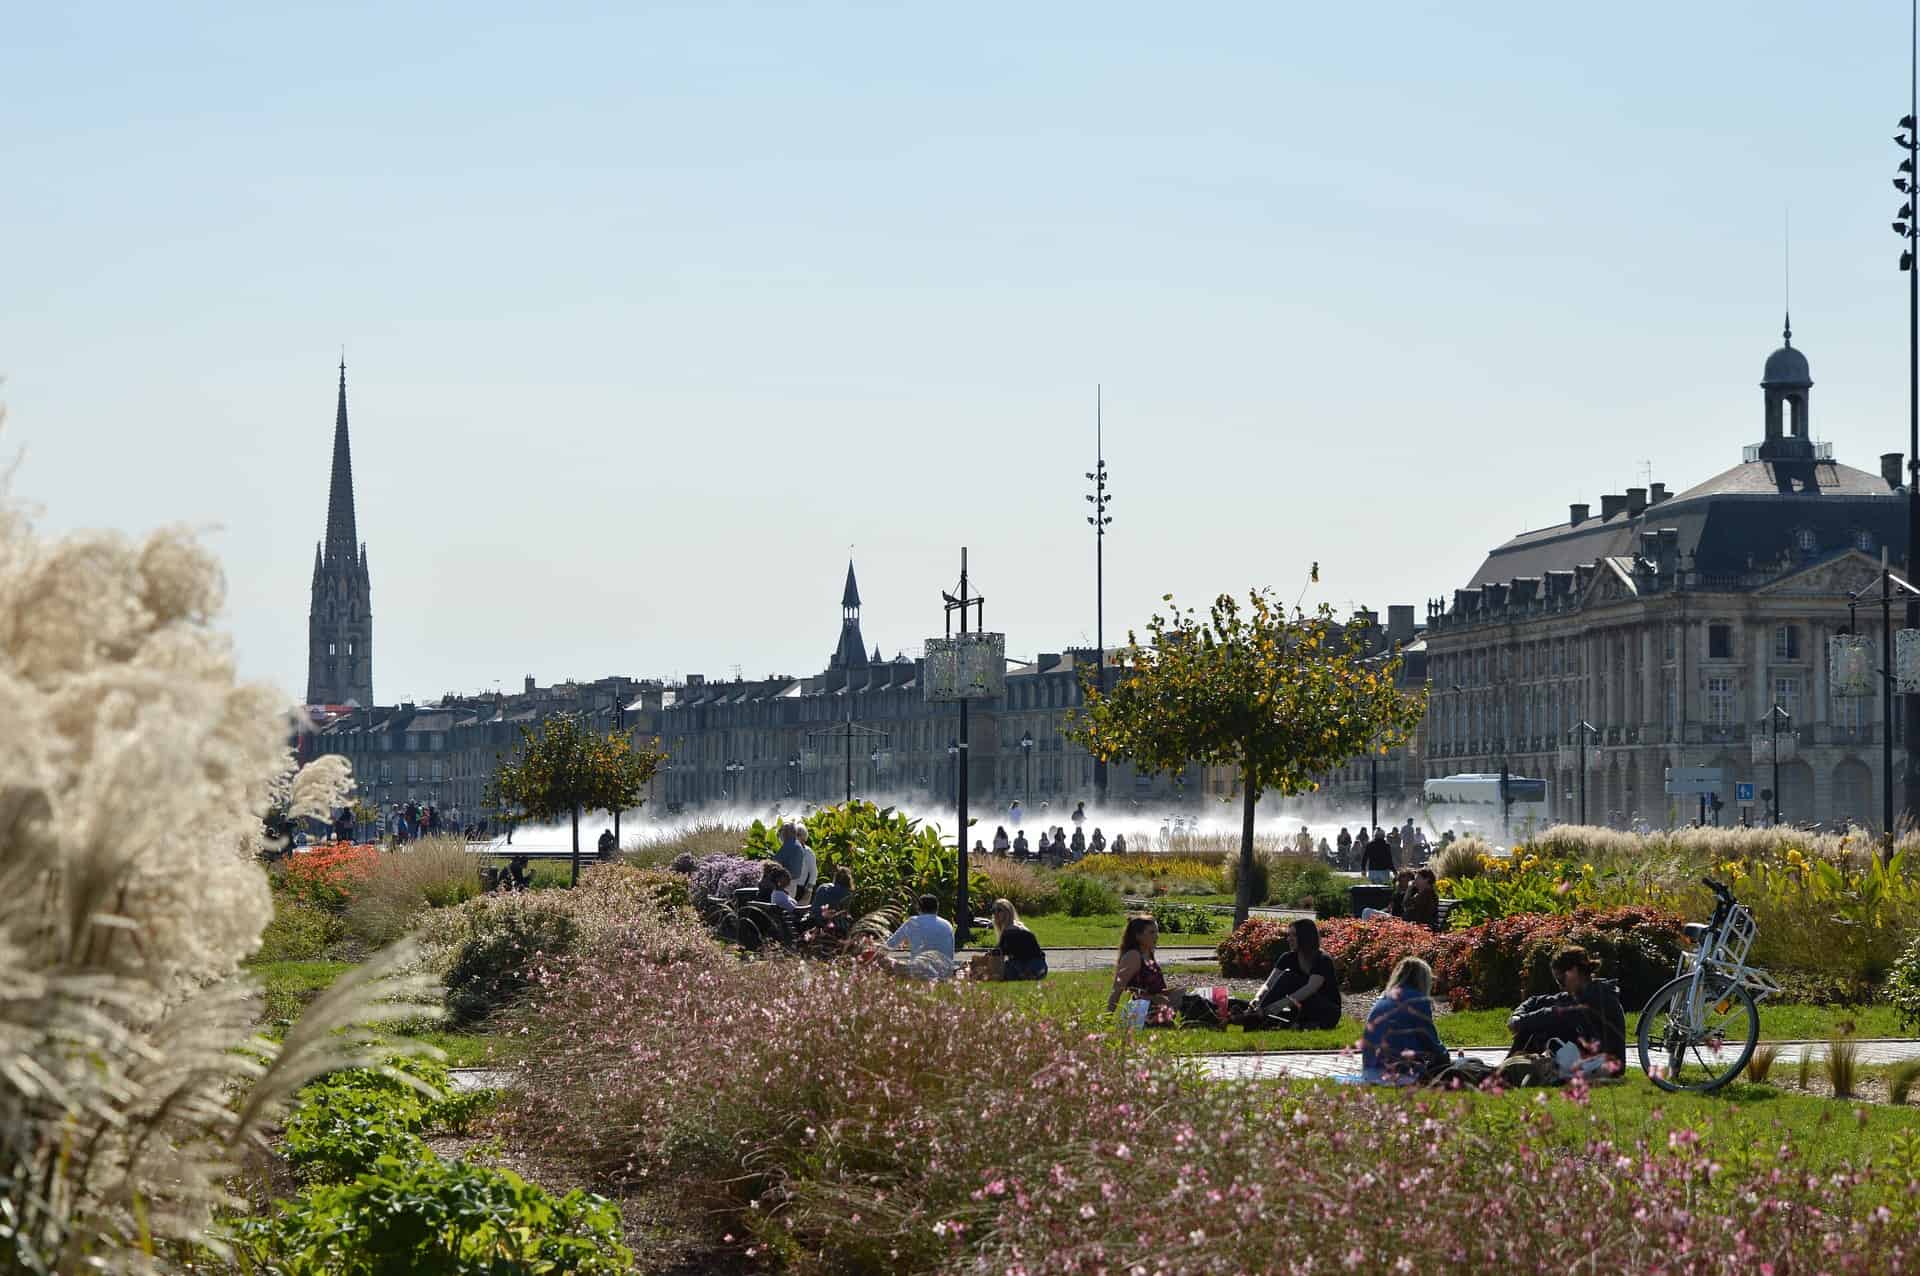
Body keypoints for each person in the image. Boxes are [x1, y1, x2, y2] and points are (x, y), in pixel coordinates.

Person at [1507, 946, 1627, 1067]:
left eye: (1561, 979)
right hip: (1590, 1059)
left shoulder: (1599, 997)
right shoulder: (1581, 993)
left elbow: (1553, 1014)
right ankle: (1508, 1068)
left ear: (1574, 971)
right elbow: (1535, 1001)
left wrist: (1521, 1022)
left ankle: (1507, 1071)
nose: (1561, 986)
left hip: (1604, 1065)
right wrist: (1517, 1016)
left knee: (1540, 1026)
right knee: (1535, 1025)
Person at [1237, 918, 1341, 1030]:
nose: (1289, 939)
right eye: (1289, 935)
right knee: (1267, 1002)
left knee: (1289, 977)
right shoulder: (1287, 957)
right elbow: (1269, 984)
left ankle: (1256, 1016)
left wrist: (1280, 1004)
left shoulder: (1322, 960)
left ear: (1306, 937)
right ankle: (1256, 1014)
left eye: (1294, 935)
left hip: (1326, 1010)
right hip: (1299, 1006)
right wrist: (1258, 998)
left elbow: (1310, 989)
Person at [1359, 957, 1449, 1082]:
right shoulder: (1418, 1000)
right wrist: (1445, 1057)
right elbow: (1430, 1040)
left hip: (1370, 1071)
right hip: (1400, 1073)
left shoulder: (1384, 997)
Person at [877, 894, 955, 980]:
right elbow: (950, 953)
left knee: (884, 960)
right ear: (937, 908)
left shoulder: (912, 922)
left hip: (920, 973)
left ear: (918, 908)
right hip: (945, 973)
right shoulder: (947, 924)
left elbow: (889, 945)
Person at [1106, 915, 1171, 1015]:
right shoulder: (1133, 956)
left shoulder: (1148, 953)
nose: (1157, 936)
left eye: (1157, 932)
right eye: (1152, 932)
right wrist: (1107, 1018)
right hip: (1142, 1010)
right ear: (1138, 936)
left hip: (1159, 1005)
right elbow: (1117, 989)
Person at [986, 899, 1048, 980]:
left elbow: (1000, 952)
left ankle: (1024, 975)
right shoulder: (1018, 926)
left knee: (993, 971)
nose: (995, 914)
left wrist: (988, 956)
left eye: (999, 910)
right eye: (993, 910)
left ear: (1008, 912)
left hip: (1030, 967)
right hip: (1041, 968)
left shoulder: (1010, 930)